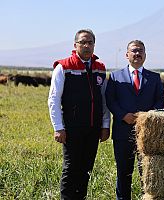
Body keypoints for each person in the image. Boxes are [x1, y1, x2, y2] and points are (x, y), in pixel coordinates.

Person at [48, 28, 110, 199]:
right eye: (83, 42)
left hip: (93, 128)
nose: (87, 45)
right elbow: (53, 99)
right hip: (72, 128)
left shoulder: (100, 68)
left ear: (94, 45)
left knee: (86, 169)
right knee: (71, 168)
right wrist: (58, 127)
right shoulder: (64, 67)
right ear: (75, 45)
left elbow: (104, 100)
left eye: (90, 42)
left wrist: (105, 125)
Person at [105, 40, 164, 200]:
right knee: (123, 173)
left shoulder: (154, 78)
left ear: (145, 55)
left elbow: (160, 100)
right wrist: (124, 115)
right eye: (134, 51)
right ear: (127, 55)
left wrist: (146, 117)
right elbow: (110, 100)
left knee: (147, 174)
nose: (137, 54)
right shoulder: (115, 77)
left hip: (147, 134)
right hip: (122, 132)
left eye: (141, 51)